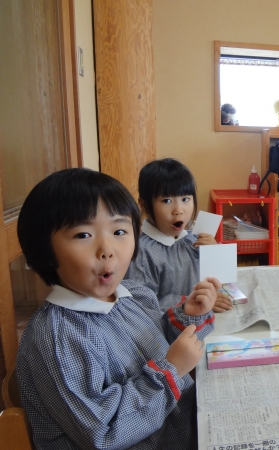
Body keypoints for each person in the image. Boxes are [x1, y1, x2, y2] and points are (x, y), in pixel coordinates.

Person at [16, 168, 218, 449]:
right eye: (83, 234)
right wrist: (172, 370)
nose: (107, 249)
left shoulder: (131, 294)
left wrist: (188, 317)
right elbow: (105, 432)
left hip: (183, 431)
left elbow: (158, 343)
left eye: (119, 231)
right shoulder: (58, 338)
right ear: (44, 251)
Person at [126, 158, 232, 313]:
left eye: (185, 199)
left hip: (202, 318)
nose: (179, 210)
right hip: (169, 324)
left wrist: (214, 252)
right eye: (167, 200)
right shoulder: (142, 252)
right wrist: (194, 302)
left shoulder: (193, 239)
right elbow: (142, 306)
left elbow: (222, 279)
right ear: (144, 205)